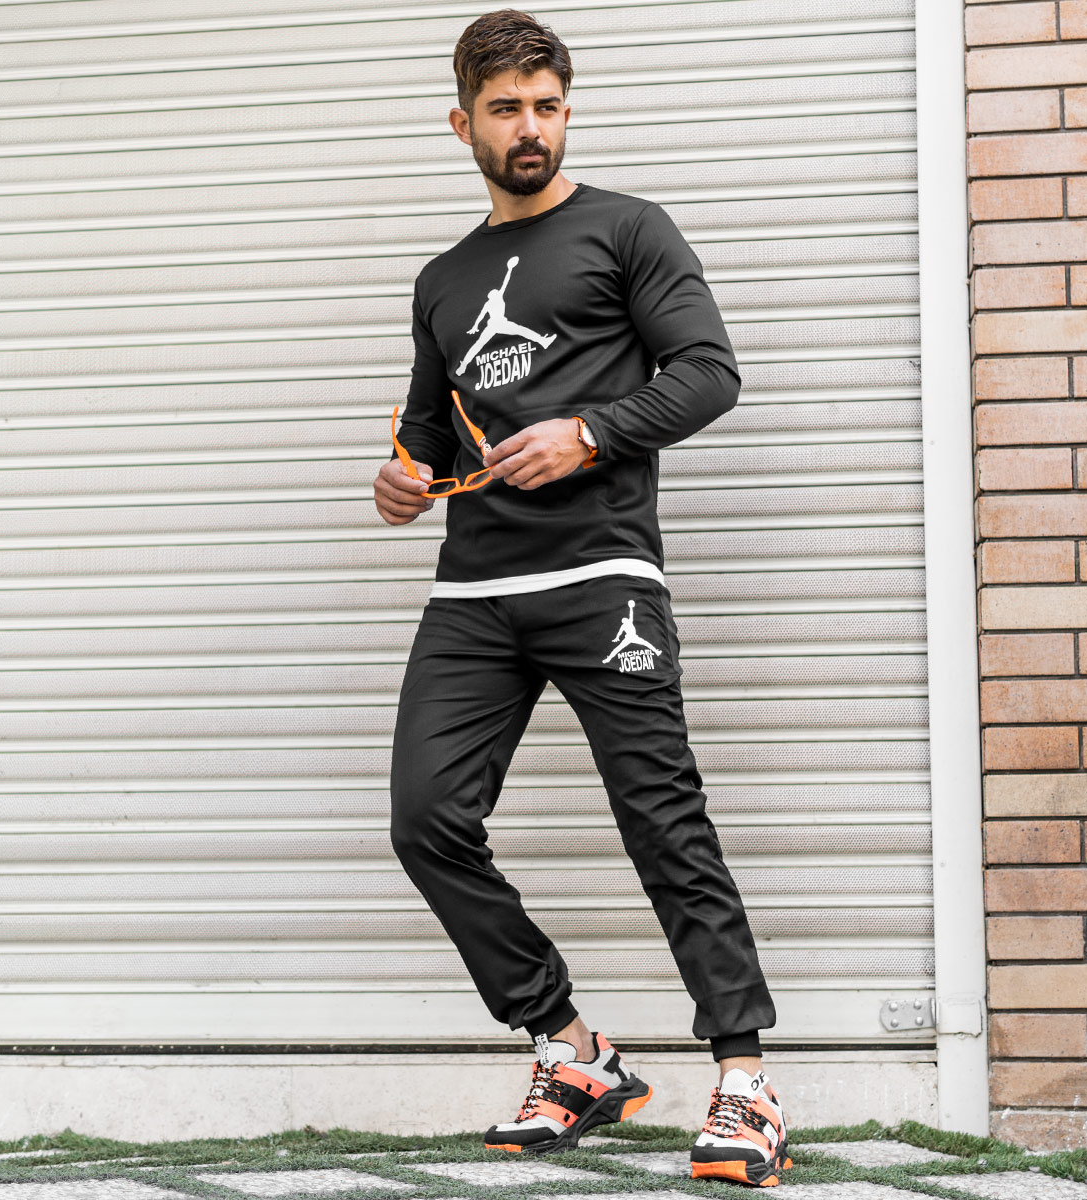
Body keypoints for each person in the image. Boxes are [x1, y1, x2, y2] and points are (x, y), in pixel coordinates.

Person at [373, 7, 791, 1187]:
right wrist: (399, 480)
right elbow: (427, 433)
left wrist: (591, 433)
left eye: (547, 106)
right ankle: (572, 1049)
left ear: (567, 112)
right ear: (462, 122)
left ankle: (745, 1082)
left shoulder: (627, 229)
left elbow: (709, 373)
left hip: (603, 577)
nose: (530, 128)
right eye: (506, 108)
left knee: (663, 821)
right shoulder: (443, 280)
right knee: (426, 820)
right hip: (476, 591)